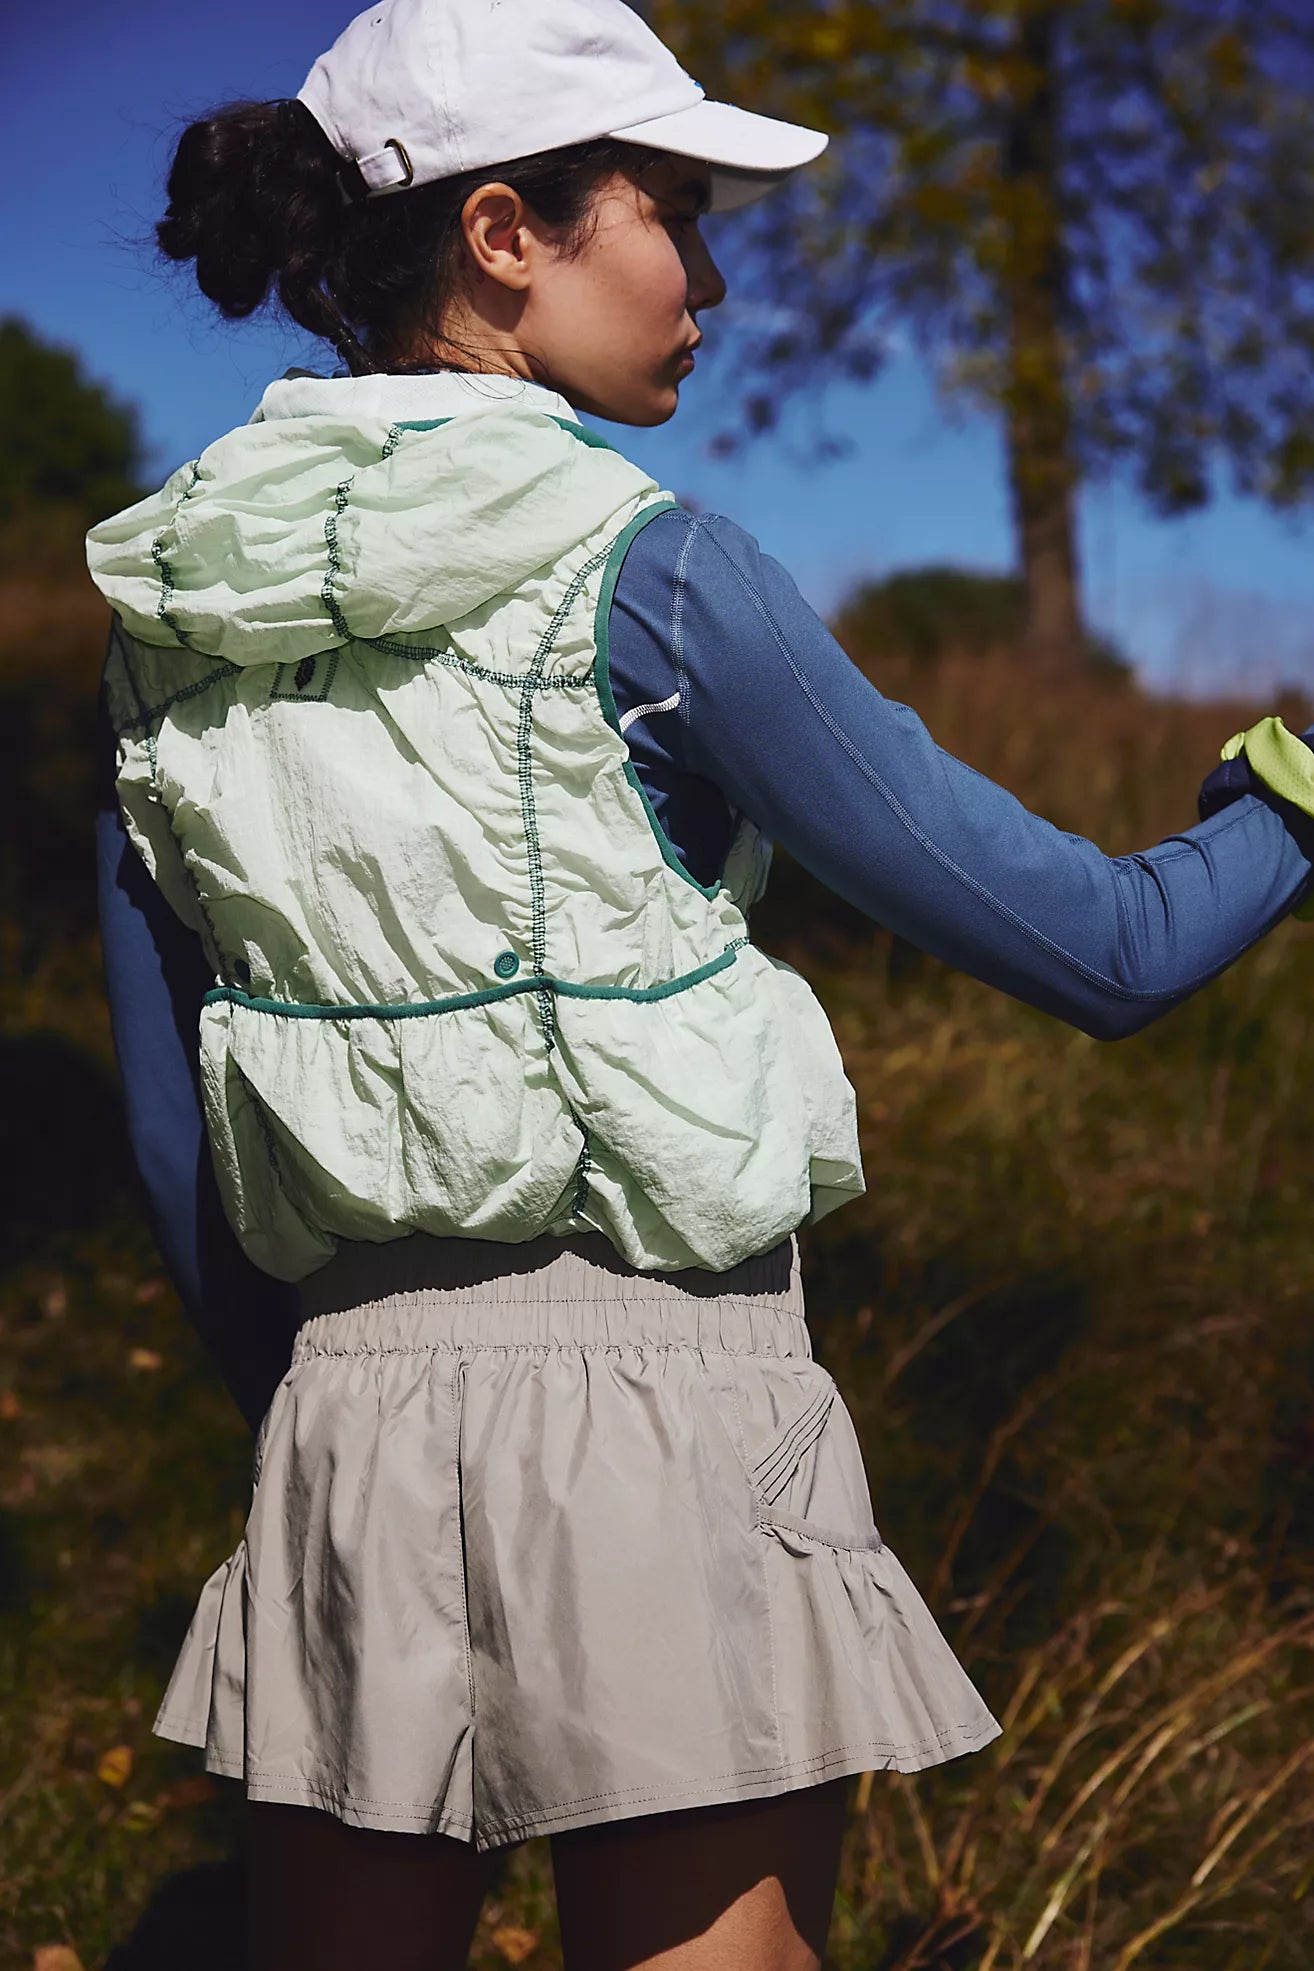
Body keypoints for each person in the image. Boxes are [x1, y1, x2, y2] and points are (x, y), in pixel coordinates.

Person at [88, 1, 1314, 1965]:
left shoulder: (165, 618)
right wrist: (1281, 808)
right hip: (660, 1409)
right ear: (506, 231)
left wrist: (339, 1424)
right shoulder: (652, 571)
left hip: (338, 1429)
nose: (715, 278)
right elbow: (1108, 948)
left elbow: (176, 1139)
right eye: (671, 210)